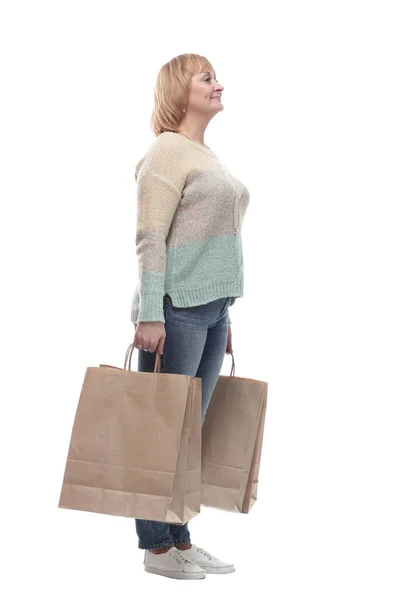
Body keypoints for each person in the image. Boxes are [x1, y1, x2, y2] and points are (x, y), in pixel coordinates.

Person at [130, 53, 250, 579]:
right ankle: (156, 549)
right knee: (161, 433)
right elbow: (150, 240)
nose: (219, 84)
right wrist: (151, 312)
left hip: (211, 312)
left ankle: (180, 537)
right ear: (182, 90)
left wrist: (223, 312)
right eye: (208, 78)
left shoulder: (205, 155)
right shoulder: (166, 153)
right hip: (175, 312)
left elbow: (208, 243)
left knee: (188, 436)